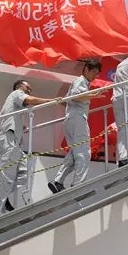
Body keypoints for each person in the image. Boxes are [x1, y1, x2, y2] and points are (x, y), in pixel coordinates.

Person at [0, 80, 59, 218]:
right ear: (19, 86)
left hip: (13, 142)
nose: (30, 90)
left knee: (24, 173)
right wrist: (51, 100)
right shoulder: (16, 93)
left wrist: (19, 127)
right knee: (8, 177)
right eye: (28, 87)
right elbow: (29, 100)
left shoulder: (12, 106)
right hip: (9, 140)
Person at [48, 60, 104, 193]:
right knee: (84, 153)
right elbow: (75, 97)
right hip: (77, 119)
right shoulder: (80, 81)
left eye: (97, 74)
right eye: (94, 72)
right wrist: (93, 96)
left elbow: (67, 100)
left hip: (71, 119)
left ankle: (58, 181)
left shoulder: (79, 83)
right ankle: (78, 185)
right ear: (86, 69)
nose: (95, 76)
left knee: (74, 153)